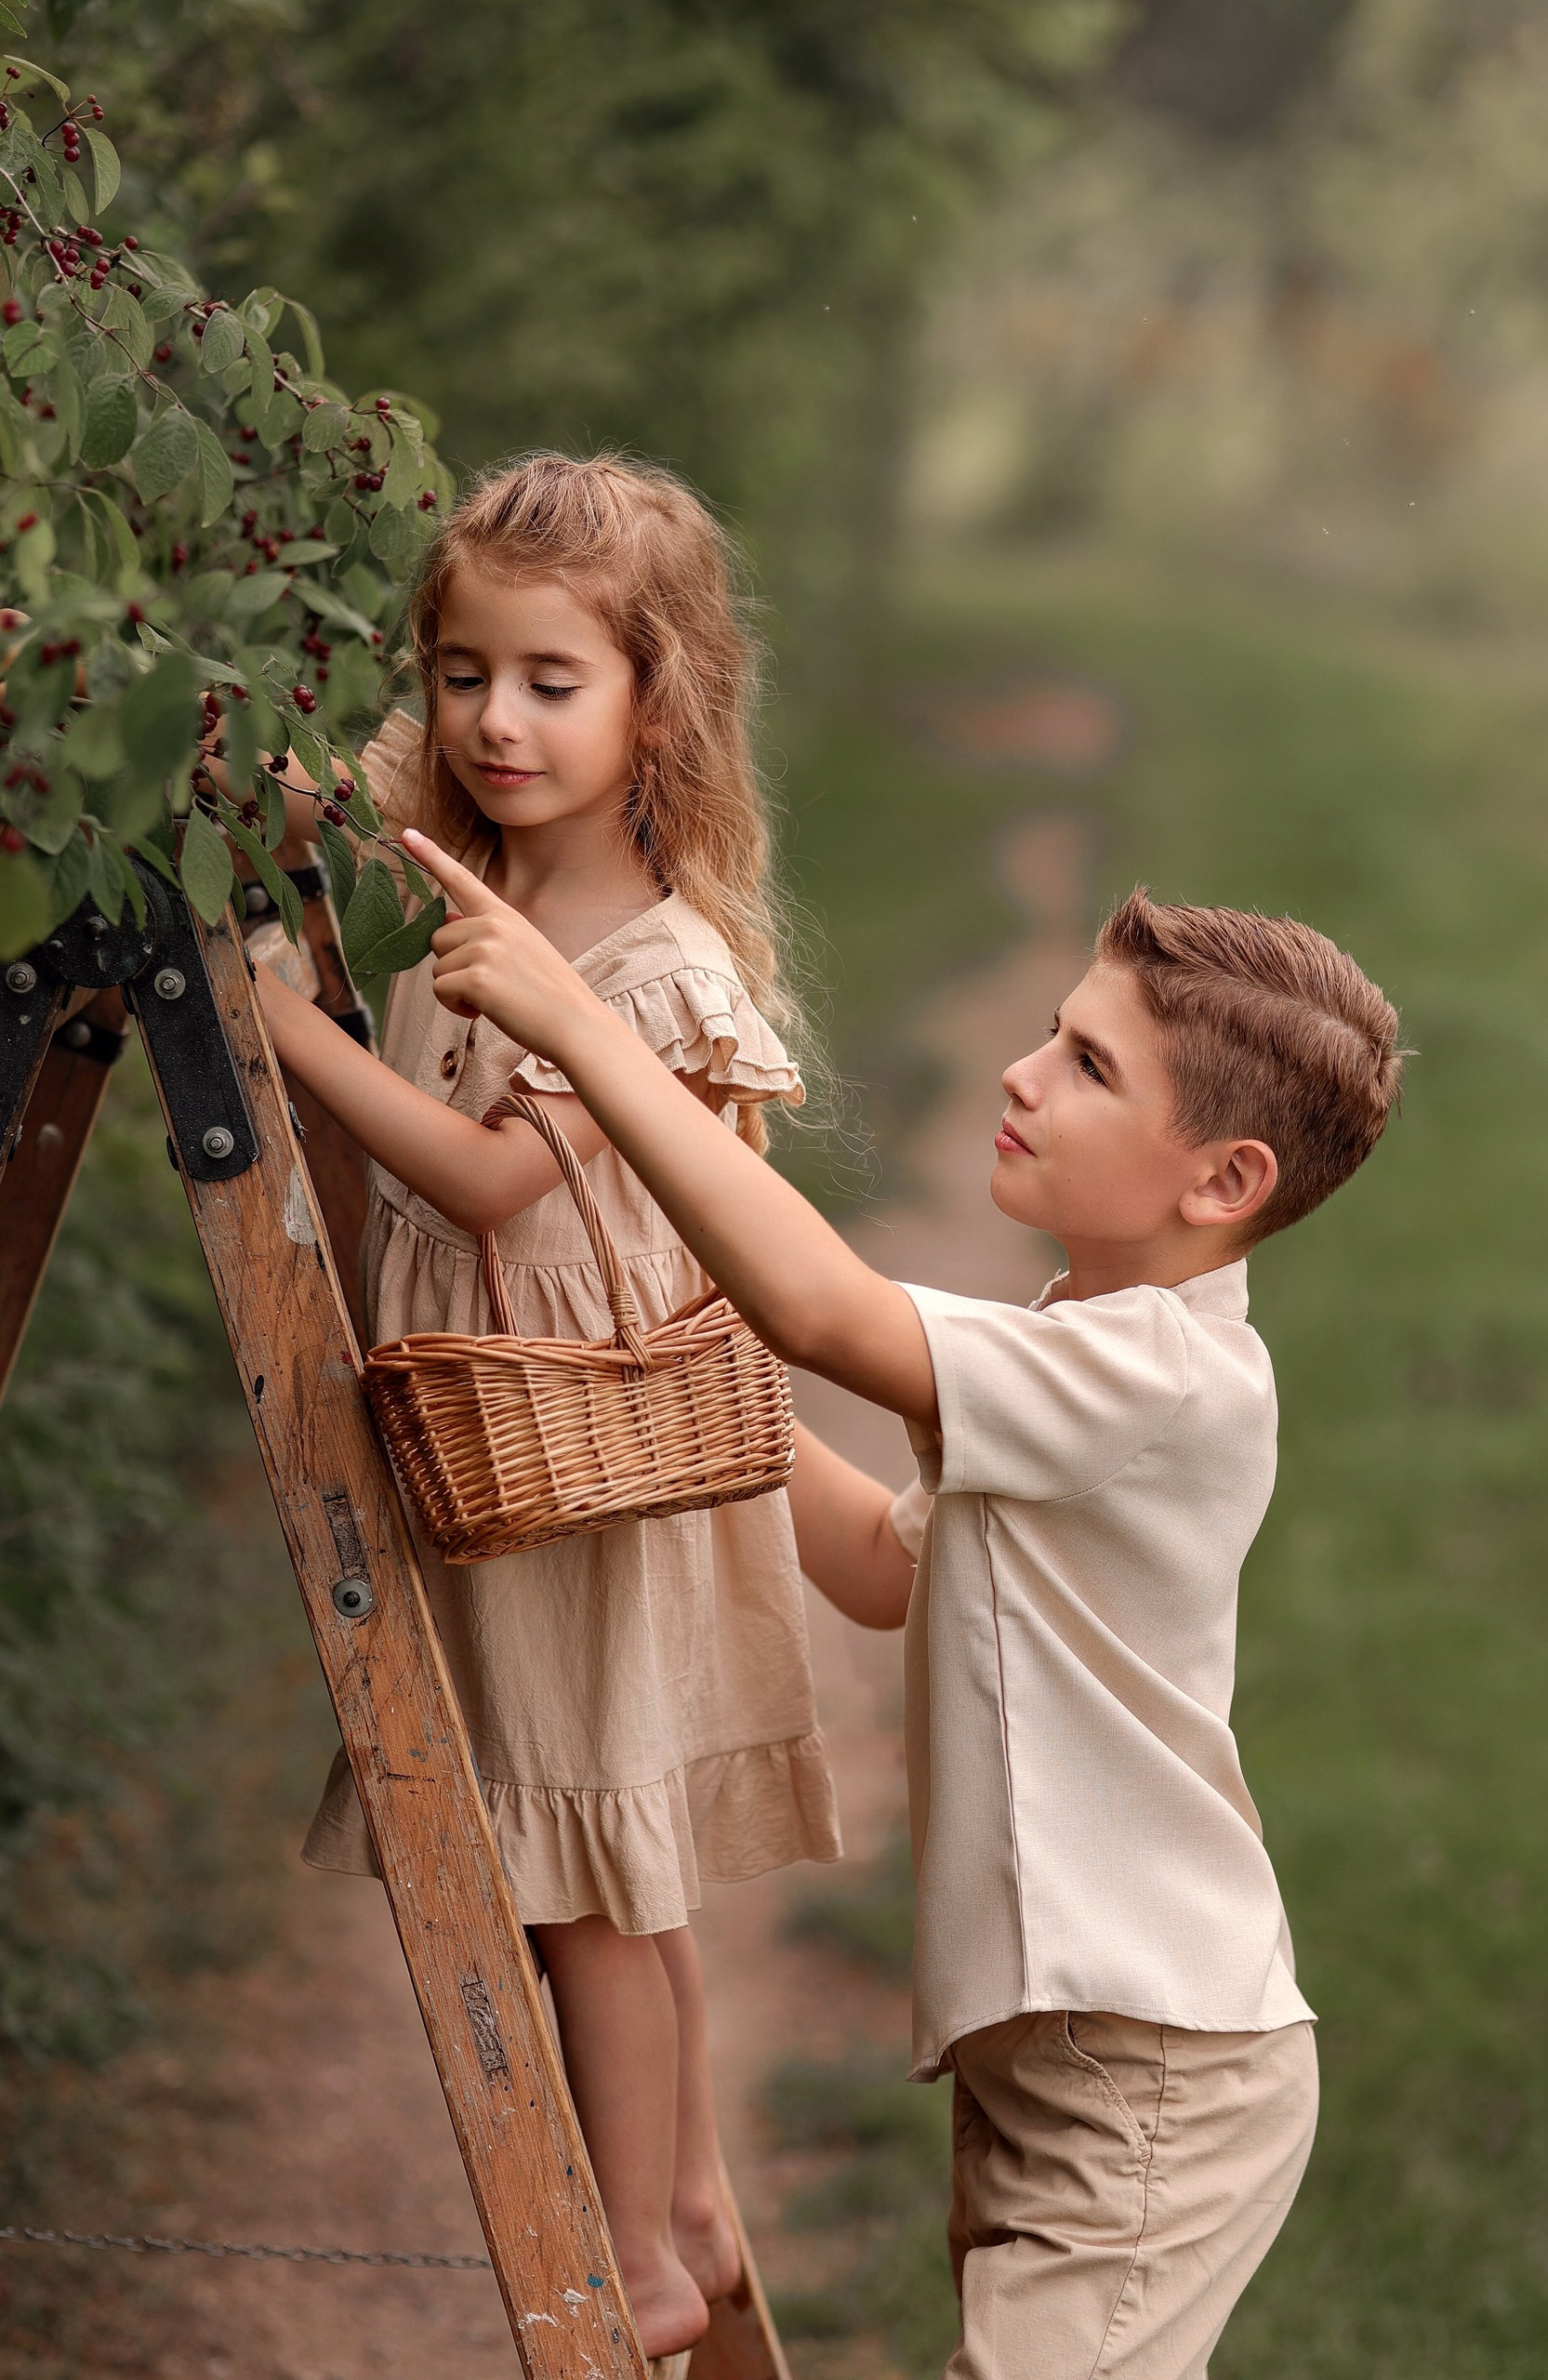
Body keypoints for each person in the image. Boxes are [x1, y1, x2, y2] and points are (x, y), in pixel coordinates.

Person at [397, 840, 1405, 2380]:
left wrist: (588, 1035)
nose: (1019, 1072)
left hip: (1150, 2068)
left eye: (1084, 1064)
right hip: (1062, 2048)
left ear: (1223, 1180)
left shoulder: (1164, 1377)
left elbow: (828, 1312)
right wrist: (708, 1393)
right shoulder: (1090, 1344)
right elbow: (883, 1566)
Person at [255, 452, 858, 2364]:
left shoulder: (656, 970)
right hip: (494, 1443)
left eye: (549, 680)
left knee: (577, 1876)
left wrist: (272, 1021)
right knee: (610, 1861)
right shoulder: (472, 872)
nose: (493, 720)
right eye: (458, 674)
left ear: (655, 699)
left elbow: (491, 1182)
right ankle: (678, 2197)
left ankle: (639, 2254)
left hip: (573, 1456)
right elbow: (289, 784)